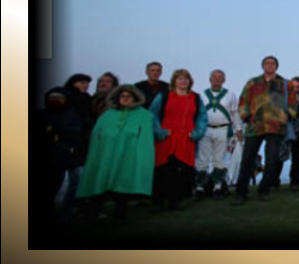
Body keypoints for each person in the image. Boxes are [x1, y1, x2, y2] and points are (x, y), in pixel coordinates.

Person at [76, 85, 155, 224]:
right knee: (99, 180)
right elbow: (97, 134)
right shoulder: (107, 114)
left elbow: (146, 137)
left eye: (128, 96)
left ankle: (120, 214)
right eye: (122, 96)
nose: (125, 99)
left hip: (128, 155)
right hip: (106, 154)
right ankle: (94, 212)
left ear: (135, 98)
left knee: (122, 183)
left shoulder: (143, 115)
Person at [232, 56, 299, 205]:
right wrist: (246, 117)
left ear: (276, 66)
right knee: (247, 160)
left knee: (272, 160)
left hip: (275, 127)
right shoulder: (253, 83)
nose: (270, 65)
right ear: (263, 66)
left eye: (273, 63)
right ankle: (241, 192)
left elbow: (293, 103)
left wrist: (287, 116)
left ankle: (264, 190)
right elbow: (243, 101)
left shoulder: (285, 84)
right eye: (267, 63)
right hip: (254, 126)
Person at [150, 69, 208, 211]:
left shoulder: (195, 98)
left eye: (186, 79)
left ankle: (175, 201)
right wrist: (159, 131)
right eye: (180, 79)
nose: (183, 81)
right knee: (163, 170)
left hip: (186, 139)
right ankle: (158, 201)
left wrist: (196, 133)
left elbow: (202, 118)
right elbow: (152, 114)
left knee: (182, 171)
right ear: (174, 81)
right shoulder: (163, 96)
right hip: (166, 138)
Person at [40, 86, 91, 222]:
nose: (56, 101)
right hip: (50, 157)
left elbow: (77, 132)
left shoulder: (72, 114)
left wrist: (56, 132)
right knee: (50, 187)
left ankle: (67, 212)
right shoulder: (41, 114)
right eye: (53, 98)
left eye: (60, 98)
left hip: (70, 154)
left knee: (76, 182)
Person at [195, 69, 241, 198]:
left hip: (223, 129)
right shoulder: (202, 95)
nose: (217, 79)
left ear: (224, 80)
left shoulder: (230, 94)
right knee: (202, 158)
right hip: (206, 129)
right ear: (210, 79)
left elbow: (235, 113)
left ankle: (218, 186)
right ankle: (200, 186)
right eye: (214, 77)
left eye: (220, 77)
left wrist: (238, 129)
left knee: (219, 159)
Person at [273, 76, 299, 191]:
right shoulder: (282, 99)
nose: (295, 89)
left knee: (297, 157)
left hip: (298, 131)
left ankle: (295, 182)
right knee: (280, 156)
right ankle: (274, 181)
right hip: (283, 130)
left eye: (298, 87)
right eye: (293, 86)